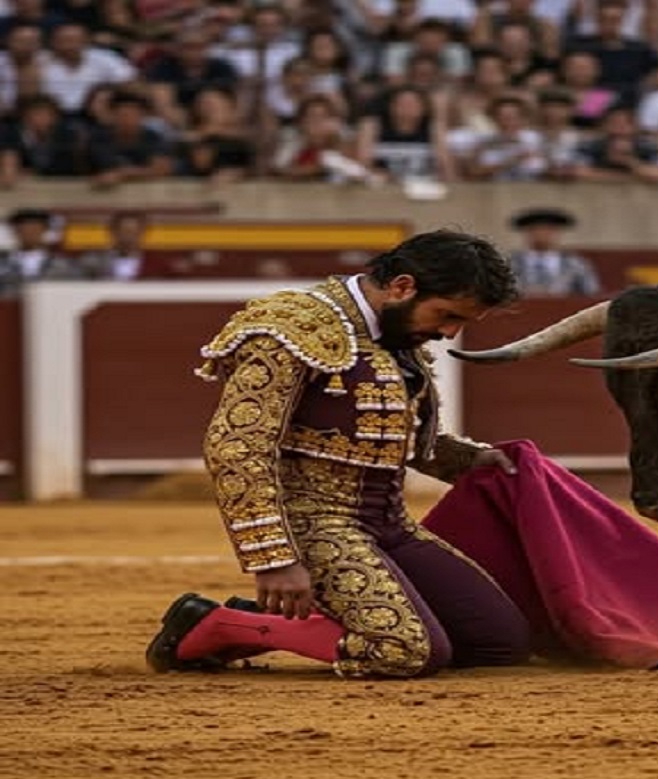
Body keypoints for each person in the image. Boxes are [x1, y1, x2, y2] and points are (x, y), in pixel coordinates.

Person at [146, 230, 534, 679]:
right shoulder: (293, 326)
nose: (449, 333)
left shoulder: (396, 332)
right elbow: (237, 445)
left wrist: (467, 460)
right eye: (447, 315)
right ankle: (220, 625)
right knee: (401, 651)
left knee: (498, 642)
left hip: (389, 523)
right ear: (402, 287)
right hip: (313, 522)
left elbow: (384, 433)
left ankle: (289, 621)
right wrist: (275, 558)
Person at [507, 208, 600, 297]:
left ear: (557, 233)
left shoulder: (576, 264)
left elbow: (591, 295)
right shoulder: (509, 264)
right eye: (535, 229)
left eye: (548, 230)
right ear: (527, 233)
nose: (541, 234)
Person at [0, 207, 80, 293]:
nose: (29, 233)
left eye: (34, 229)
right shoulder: (3, 264)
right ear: (15, 231)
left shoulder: (63, 265)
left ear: (44, 230)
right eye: (24, 229)